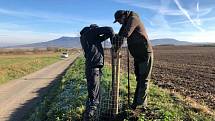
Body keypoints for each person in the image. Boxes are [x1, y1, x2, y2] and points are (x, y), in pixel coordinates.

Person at [112, 10, 153, 111]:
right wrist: (115, 48)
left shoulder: (133, 19)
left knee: (144, 79)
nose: (119, 23)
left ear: (124, 16)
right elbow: (120, 37)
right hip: (138, 56)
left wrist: (117, 39)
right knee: (139, 79)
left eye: (119, 20)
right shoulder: (126, 22)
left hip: (145, 54)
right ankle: (136, 103)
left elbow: (126, 33)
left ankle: (140, 106)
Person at [80, 24, 115, 119]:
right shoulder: (91, 32)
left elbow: (102, 37)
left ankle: (92, 111)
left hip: (93, 66)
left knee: (93, 88)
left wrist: (106, 36)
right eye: (97, 31)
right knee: (94, 91)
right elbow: (109, 29)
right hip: (93, 66)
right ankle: (91, 113)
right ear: (95, 29)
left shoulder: (87, 36)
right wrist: (114, 43)